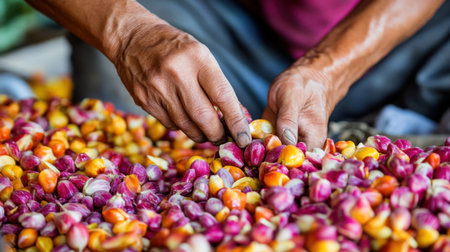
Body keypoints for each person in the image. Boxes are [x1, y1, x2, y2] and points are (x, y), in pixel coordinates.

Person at [25, 0, 449, 149]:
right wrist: (129, 33)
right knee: (107, 32)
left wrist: (329, 69)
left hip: (390, 53)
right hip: (225, 37)